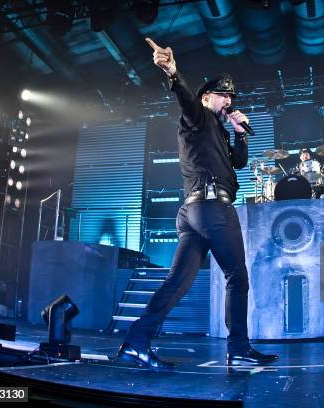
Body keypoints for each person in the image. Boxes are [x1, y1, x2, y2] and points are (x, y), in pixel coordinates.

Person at [117, 38, 279, 370]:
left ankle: (136, 341)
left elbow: (240, 162)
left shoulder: (217, 132)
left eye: (232, 96)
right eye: (223, 95)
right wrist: (174, 74)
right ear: (207, 97)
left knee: (177, 281)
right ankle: (239, 347)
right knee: (237, 277)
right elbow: (186, 101)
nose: (229, 100)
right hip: (212, 210)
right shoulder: (199, 117)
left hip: (193, 214)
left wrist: (240, 132)